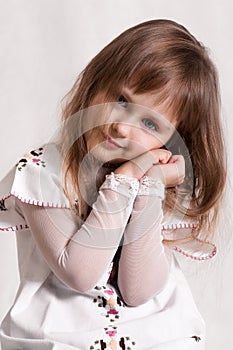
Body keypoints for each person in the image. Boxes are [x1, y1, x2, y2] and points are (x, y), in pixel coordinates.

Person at [0, 19, 226, 350]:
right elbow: (79, 273)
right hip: (60, 338)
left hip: (156, 336)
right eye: (121, 99)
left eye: (149, 123)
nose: (121, 128)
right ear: (96, 82)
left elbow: (138, 291)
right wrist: (125, 179)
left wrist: (148, 184)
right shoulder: (43, 172)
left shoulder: (154, 184)